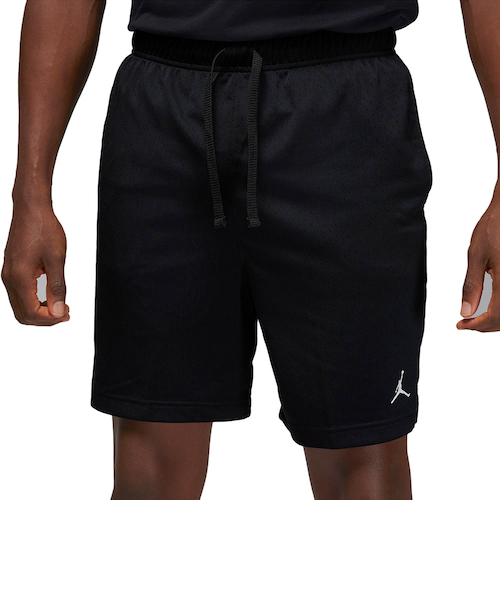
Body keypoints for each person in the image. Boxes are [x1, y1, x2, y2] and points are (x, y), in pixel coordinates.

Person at [2, 0, 499, 501]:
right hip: (162, 111)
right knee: (147, 462)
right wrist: (31, 193)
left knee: (363, 454)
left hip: (344, 107)